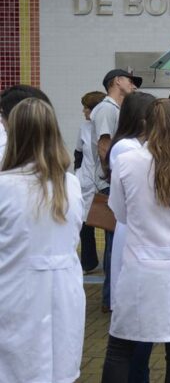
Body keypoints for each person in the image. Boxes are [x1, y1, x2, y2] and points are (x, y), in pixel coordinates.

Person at [102, 99, 170, 382]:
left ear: (146, 125)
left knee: (121, 346)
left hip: (142, 265)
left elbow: (120, 213)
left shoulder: (127, 161)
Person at [0, 97, 86, 383]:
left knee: (16, 370)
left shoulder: (5, 185)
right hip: (64, 291)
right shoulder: (69, 184)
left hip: (15, 290)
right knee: (58, 369)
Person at [104, 91, 157, 382]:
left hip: (138, 231)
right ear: (143, 118)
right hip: (131, 229)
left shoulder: (136, 145)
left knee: (142, 322)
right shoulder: (125, 147)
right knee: (133, 321)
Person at [94, 69, 141, 313]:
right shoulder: (106, 109)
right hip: (111, 182)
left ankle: (114, 296)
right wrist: (113, 177)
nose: (132, 85)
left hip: (116, 180)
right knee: (114, 243)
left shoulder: (116, 109)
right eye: (129, 80)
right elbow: (104, 145)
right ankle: (110, 299)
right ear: (116, 81)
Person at [75, 90, 106, 273]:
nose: (84, 111)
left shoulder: (109, 125)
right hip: (85, 181)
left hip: (104, 181)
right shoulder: (84, 127)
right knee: (84, 224)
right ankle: (88, 262)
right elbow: (78, 151)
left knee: (107, 222)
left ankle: (110, 264)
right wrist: (78, 172)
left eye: (86, 108)